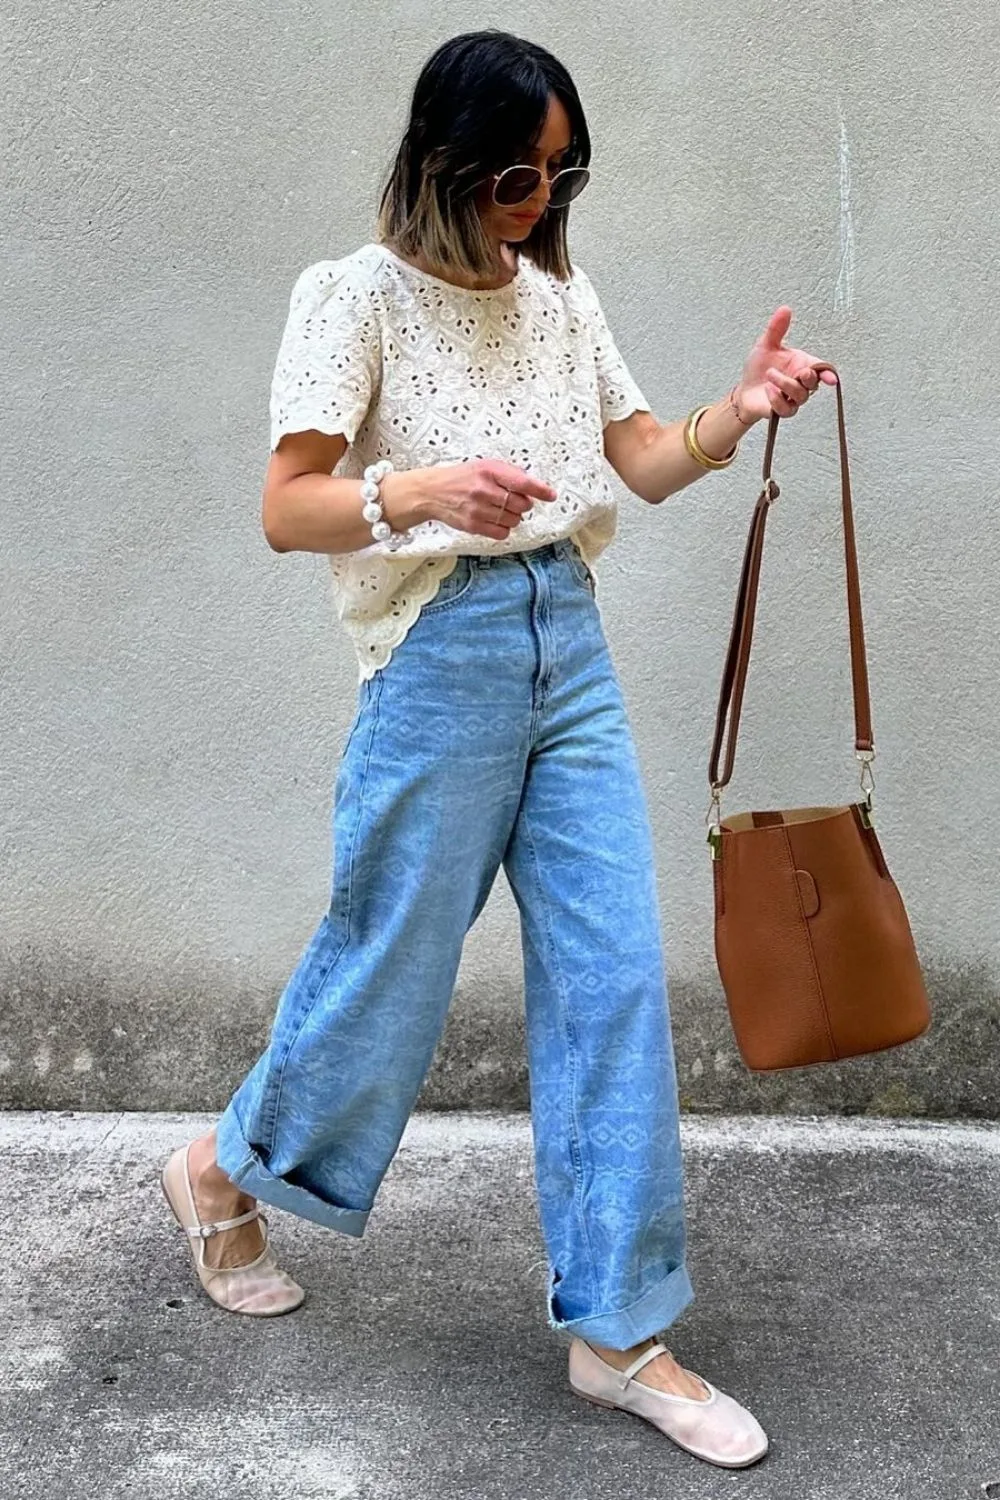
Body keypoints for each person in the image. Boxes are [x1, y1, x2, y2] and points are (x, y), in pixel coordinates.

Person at [161, 29, 835, 1470]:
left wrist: (739, 410)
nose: (540, 200)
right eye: (521, 172)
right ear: (447, 159)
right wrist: (416, 490)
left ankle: (620, 1331)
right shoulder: (352, 296)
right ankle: (221, 1164)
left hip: (566, 647)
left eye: (563, 171)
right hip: (439, 658)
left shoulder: (558, 295)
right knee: (389, 961)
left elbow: (641, 459)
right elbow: (289, 506)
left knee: (610, 974)